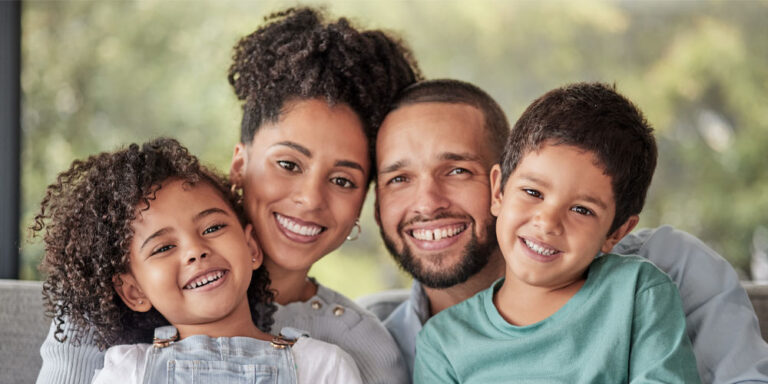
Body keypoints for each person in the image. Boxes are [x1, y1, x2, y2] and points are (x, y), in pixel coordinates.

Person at [36, 8, 421, 384]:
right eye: (288, 164)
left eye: (342, 181)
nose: (310, 199)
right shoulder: (100, 312)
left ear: (365, 199)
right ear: (240, 163)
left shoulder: (359, 352)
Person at [373, 79, 768, 383]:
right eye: (398, 178)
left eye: (458, 170)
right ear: (502, 189)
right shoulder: (398, 350)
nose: (427, 202)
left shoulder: (652, 282)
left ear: (618, 229)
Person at [31, 138, 362, 383]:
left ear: (251, 247)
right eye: (162, 248)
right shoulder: (128, 371)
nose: (195, 251)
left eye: (213, 227)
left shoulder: (323, 367)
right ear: (133, 291)